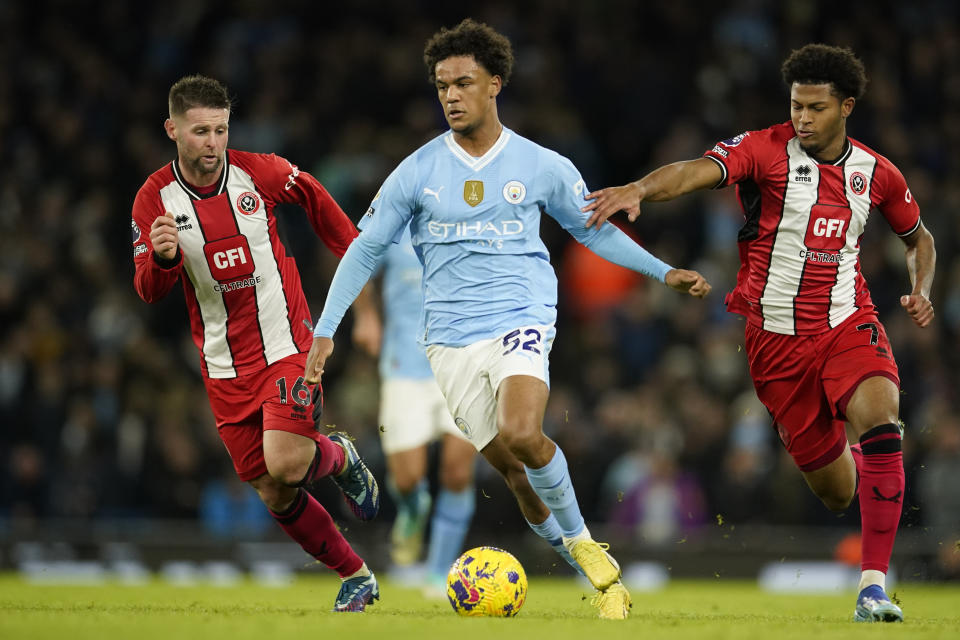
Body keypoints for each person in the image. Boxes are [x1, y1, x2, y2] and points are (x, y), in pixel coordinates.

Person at [304, 19, 712, 620]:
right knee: (517, 477)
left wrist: (662, 271)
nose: (450, 95)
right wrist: (325, 330)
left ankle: (587, 548)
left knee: (524, 433)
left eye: (463, 82)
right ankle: (599, 580)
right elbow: (363, 249)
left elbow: (591, 229)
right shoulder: (416, 171)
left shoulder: (541, 164)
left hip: (520, 317)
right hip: (447, 342)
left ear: (495, 84)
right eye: (442, 85)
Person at [583, 43, 935, 623]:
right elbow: (697, 171)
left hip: (849, 321)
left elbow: (919, 238)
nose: (802, 117)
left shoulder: (877, 173)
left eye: (816, 108)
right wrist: (640, 189)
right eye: (796, 105)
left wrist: (921, 290)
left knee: (882, 413)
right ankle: (861, 466)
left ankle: (873, 587)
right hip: (775, 346)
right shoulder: (764, 150)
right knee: (838, 492)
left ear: (846, 106)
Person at [131, 75, 382, 612]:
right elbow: (149, 291)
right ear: (172, 130)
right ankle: (356, 574)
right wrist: (164, 258)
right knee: (273, 488)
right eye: (200, 132)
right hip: (224, 368)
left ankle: (337, 458)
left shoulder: (259, 172)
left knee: (289, 463)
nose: (213, 143)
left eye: (221, 130)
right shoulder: (153, 199)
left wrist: (358, 306)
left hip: (287, 345)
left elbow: (330, 219)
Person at [351, 225, 477, 597]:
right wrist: (366, 316)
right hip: (405, 367)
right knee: (409, 478)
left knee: (457, 472)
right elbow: (357, 264)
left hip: (462, 365)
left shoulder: (473, 218)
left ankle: (438, 573)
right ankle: (411, 507)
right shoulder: (393, 222)